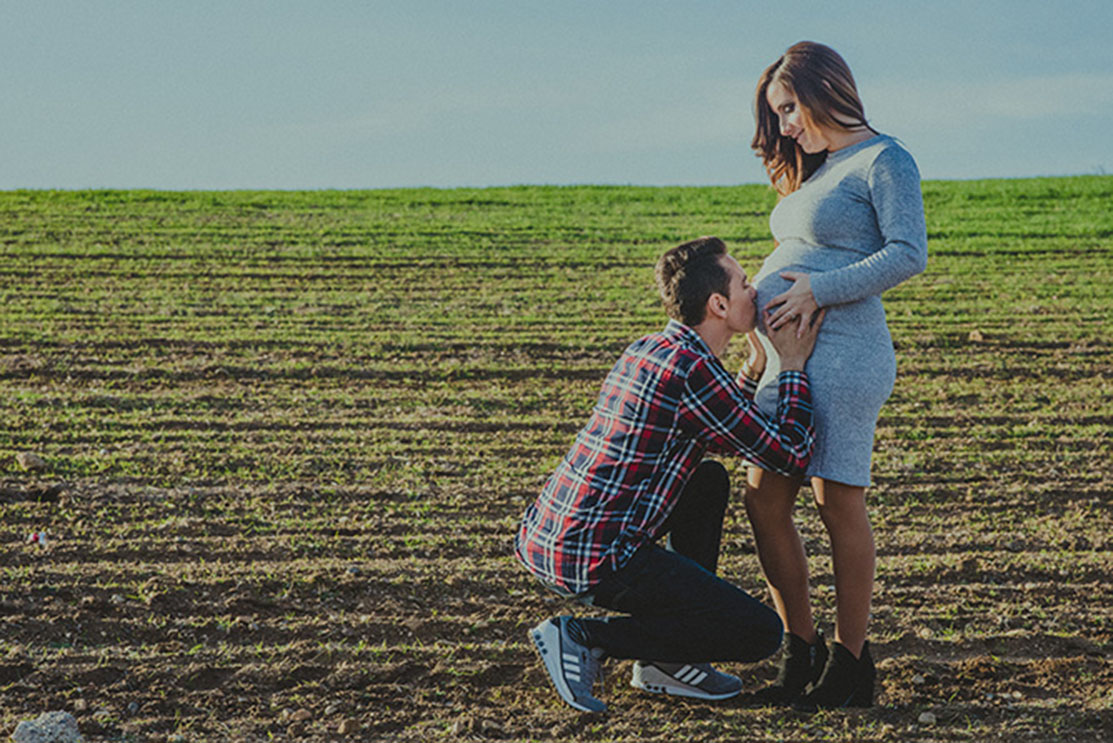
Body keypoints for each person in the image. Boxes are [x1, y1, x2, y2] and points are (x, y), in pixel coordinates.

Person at [514, 236, 826, 713]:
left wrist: (754, 368)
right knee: (757, 631)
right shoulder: (691, 369)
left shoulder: (655, 348)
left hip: (558, 536)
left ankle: (664, 664)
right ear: (719, 304)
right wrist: (793, 366)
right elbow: (789, 453)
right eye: (745, 284)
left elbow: (720, 430)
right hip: (595, 555)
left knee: (706, 481)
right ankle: (582, 636)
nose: (755, 293)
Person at [744, 41, 928, 710]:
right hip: (789, 357)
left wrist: (818, 291)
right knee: (762, 496)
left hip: (846, 350)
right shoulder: (813, 172)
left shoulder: (885, 158)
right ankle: (800, 651)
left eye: (789, 108)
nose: (786, 125)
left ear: (825, 89)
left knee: (833, 500)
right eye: (778, 113)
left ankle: (850, 665)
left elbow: (907, 252)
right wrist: (761, 345)